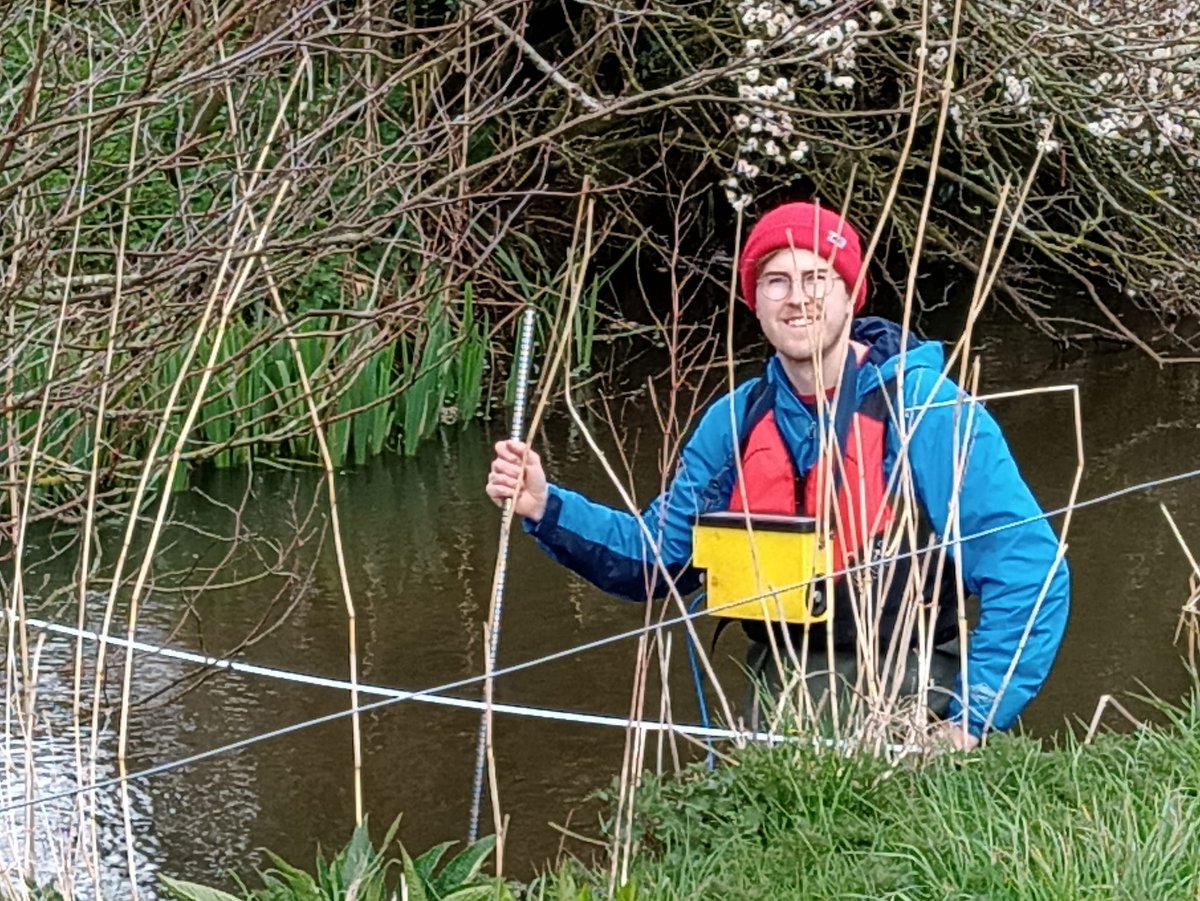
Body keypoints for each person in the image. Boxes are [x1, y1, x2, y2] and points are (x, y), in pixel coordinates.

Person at [485, 200, 1070, 750]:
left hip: (913, 680)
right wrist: (546, 506)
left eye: (817, 278)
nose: (798, 299)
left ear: (850, 296)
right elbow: (656, 560)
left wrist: (972, 718)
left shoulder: (927, 410)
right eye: (777, 282)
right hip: (779, 687)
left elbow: (1030, 571)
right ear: (757, 303)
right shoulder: (733, 423)